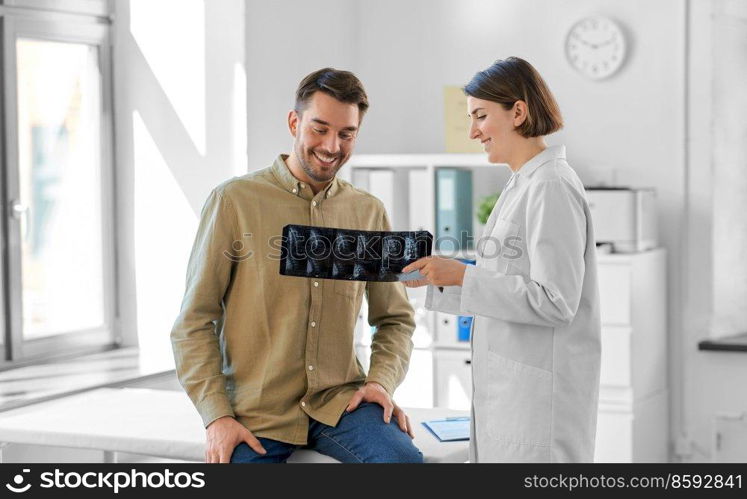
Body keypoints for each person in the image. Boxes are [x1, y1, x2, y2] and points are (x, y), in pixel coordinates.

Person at [171, 68, 422, 463]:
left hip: (340, 406)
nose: (332, 145)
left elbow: (395, 318)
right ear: (294, 122)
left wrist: (381, 382)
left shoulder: (367, 211)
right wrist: (216, 416)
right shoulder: (234, 201)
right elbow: (194, 322)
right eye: (319, 129)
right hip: (256, 413)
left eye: (346, 134)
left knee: (402, 462)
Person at [403, 57, 601, 462]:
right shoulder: (522, 183)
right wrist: (441, 278)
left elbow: (556, 300)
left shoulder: (550, 185)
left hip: (537, 407)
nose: (473, 131)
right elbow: (508, 284)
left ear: (518, 112)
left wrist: (464, 276)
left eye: (480, 116)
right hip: (511, 396)